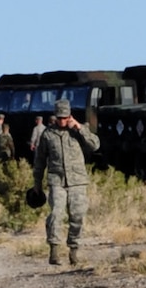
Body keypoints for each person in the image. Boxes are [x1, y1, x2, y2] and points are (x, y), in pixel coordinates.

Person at [33, 95, 100, 267]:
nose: (62, 121)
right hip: (57, 181)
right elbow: (40, 161)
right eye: (59, 118)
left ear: (70, 116)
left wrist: (80, 128)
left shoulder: (78, 130)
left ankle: (73, 250)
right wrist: (37, 184)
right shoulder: (48, 134)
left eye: (65, 117)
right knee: (56, 214)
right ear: (55, 116)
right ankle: (54, 250)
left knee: (77, 216)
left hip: (77, 181)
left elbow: (95, 145)